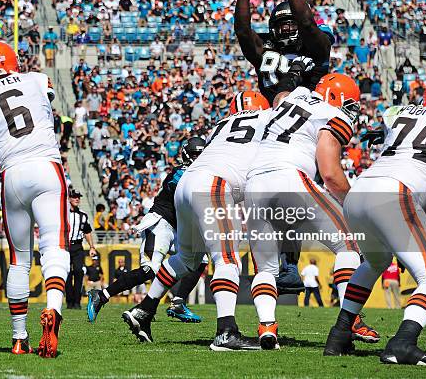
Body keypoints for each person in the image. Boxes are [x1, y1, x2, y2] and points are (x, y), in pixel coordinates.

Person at [121, 93, 277, 351]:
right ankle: (226, 332)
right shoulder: (268, 118)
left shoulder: (220, 125)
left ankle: (144, 310)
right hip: (214, 184)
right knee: (226, 259)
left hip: (187, 183)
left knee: (186, 258)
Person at [245, 74, 379, 350]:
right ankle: (350, 318)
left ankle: (267, 325)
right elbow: (330, 174)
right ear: (336, 97)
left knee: (267, 268)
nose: (350, 110)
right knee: (348, 244)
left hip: (254, 183)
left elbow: (280, 96)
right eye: (349, 103)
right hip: (290, 178)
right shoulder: (330, 112)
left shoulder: (290, 98)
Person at [0, 41, 69, 358]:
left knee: (19, 259)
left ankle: (19, 338)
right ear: (13, 61)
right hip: (47, 167)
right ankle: (53, 310)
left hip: (12, 175)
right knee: (54, 245)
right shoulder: (37, 80)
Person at [234, 0, 336, 295]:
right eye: (281, 24)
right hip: (265, 129)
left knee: (293, 199)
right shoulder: (267, 53)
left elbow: (308, 22)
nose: (289, 28)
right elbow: (244, 32)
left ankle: (290, 263)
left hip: (301, 129)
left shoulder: (317, 48)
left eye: (291, 22)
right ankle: (261, 264)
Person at [325, 78, 426, 365]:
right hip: (395, 194)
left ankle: (339, 334)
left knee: (374, 262)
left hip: (360, 192)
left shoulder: (400, 113)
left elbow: (390, 126)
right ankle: (402, 343)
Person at [88, 137, 207, 325]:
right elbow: (187, 191)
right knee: (149, 270)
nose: (198, 158)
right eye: (194, 154)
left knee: (201, 259)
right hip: (161, 224)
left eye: (200, 154)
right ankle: (101, 295)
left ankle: (178, 302)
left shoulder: (202, 174)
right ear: (186, 155)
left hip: (179, 228)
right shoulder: (180, 173)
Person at [66, 189, 96, 309]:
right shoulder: (63, 213)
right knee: (67, 273)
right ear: (69, 198)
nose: (77, 199)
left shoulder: (83, 215)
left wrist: (92, 247)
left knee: (79, 272)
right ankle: (69, 301)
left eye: (78, 197)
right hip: (65, 246)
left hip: (78, 246)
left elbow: (87, 231)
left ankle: (77, 302)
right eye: (74, 196)